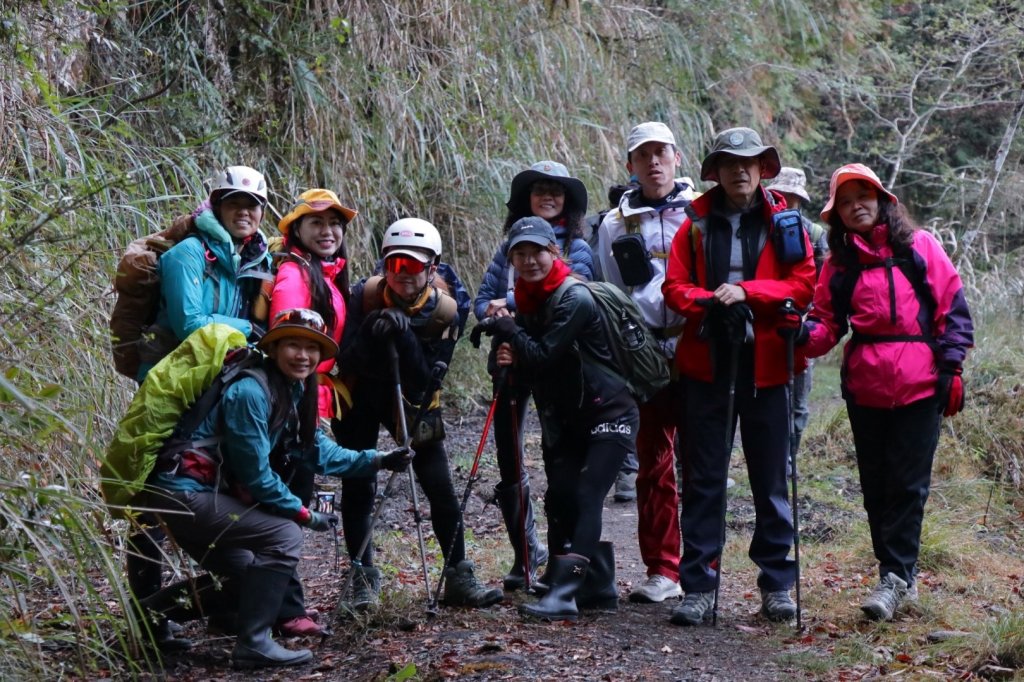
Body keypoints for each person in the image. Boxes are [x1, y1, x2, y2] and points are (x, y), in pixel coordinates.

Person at [140, 309, 411, 669]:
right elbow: (257, 476)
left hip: (200, 495)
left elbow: (317, 451)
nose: (303, 355)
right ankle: (253, 644)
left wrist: (378, 459)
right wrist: (303, 514)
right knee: (284, 536)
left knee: (246, 575)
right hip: (182, 493)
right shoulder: (250, 392)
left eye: (312, 348)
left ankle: (147, 617)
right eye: (293, 345)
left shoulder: (289, 388)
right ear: (274, 347)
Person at [789, 163, 973, 621]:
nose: (856, 206)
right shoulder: (840, 266)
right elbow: (827, 324)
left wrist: (952, 370)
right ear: (837, 215)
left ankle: (894, 576)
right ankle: (897, 576)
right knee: (876, 487)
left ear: (882, 200)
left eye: (863, 196)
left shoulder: (920, 248)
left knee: (908, 486)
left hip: (921, 384)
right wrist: (799, 334)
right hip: (866, 387)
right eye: (846, 201)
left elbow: (953, 308)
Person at [662, 126, 815, 625]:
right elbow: (674, 286)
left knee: (771, 479)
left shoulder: (785, 222)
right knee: (704, 478)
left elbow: (804, 283)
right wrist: (711, 302)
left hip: (769, 366)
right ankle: (699, 587)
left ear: (763, 168)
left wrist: (749, 292)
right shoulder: (696, 225)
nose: (740, 170)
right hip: (708, 363)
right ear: (717, 172)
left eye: (749, 162)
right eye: (730, 163)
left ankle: (777, 585)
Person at [127, 165, 275, 649]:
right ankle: (147, 619)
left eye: (253, 204)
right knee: (152, 502)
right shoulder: (190, 254)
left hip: (212, 387)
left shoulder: (248, 258)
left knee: (208, 489)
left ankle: (223, 606)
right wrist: (250, 329)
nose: (246, 211)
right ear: (216, 204)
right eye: (235, 202)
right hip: (168, 389)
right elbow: (191, 323)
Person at [334, 218, 503, 610]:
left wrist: (405, 335)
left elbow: (425, 380)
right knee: (358, 485)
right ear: (384, 266)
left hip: (413, 398)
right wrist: (376, 326)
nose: (403, 275)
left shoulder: (447, 310)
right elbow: (346, 359)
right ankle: (362, 581)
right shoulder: (364, 296)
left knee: (439, 485)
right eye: (395, 265)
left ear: (432, 267)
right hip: (360, 395)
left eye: (412, 266)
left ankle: (459, 575)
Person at [475, 216, 639, 621]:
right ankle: (598, 586)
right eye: (521, 253)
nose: (530, 261)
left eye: (538, 252)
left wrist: (510, 331)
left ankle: (564, 593)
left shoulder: (573, 298)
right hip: (567, 415)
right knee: (560, 497)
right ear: (511, 258)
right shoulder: (527, 298)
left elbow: (545, 354)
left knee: (586, 496)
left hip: (609, 410)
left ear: (555, 253)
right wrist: (506, 355)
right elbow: (535, 366)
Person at [473, 160, 593, 591]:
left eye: (556, 192)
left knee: (557, 455)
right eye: (539, 190)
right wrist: (494, 308)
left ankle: (564, 560)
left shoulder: (577, 247)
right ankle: (524, 554)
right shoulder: (506, 248)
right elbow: (481, 299)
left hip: (556, 365)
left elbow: (573, 298)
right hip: (509, 360)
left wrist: (508, 306)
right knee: (509, 457)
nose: (547, 197)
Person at [595, 122, 694, 604]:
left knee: (701, 462)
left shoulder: (702, 214)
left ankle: (701, 565)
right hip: (643, 353)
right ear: (630, 165)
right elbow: (613, 292)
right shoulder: (614, 224)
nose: (653, 162)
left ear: (677, 157)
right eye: (643, 155)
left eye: (661, 152)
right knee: (652, 466)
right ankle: (662, 569)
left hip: (696, 345)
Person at [764, 167, 829, 458]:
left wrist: (807, 320)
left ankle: (789, 456)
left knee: (799, 399)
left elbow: (823, 284)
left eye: (792, 196)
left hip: (800, 325)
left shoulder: (815, 234)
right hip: (765, 323)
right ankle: (771, 455)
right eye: (781, 194)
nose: (786, 200)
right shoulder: (760, 227)